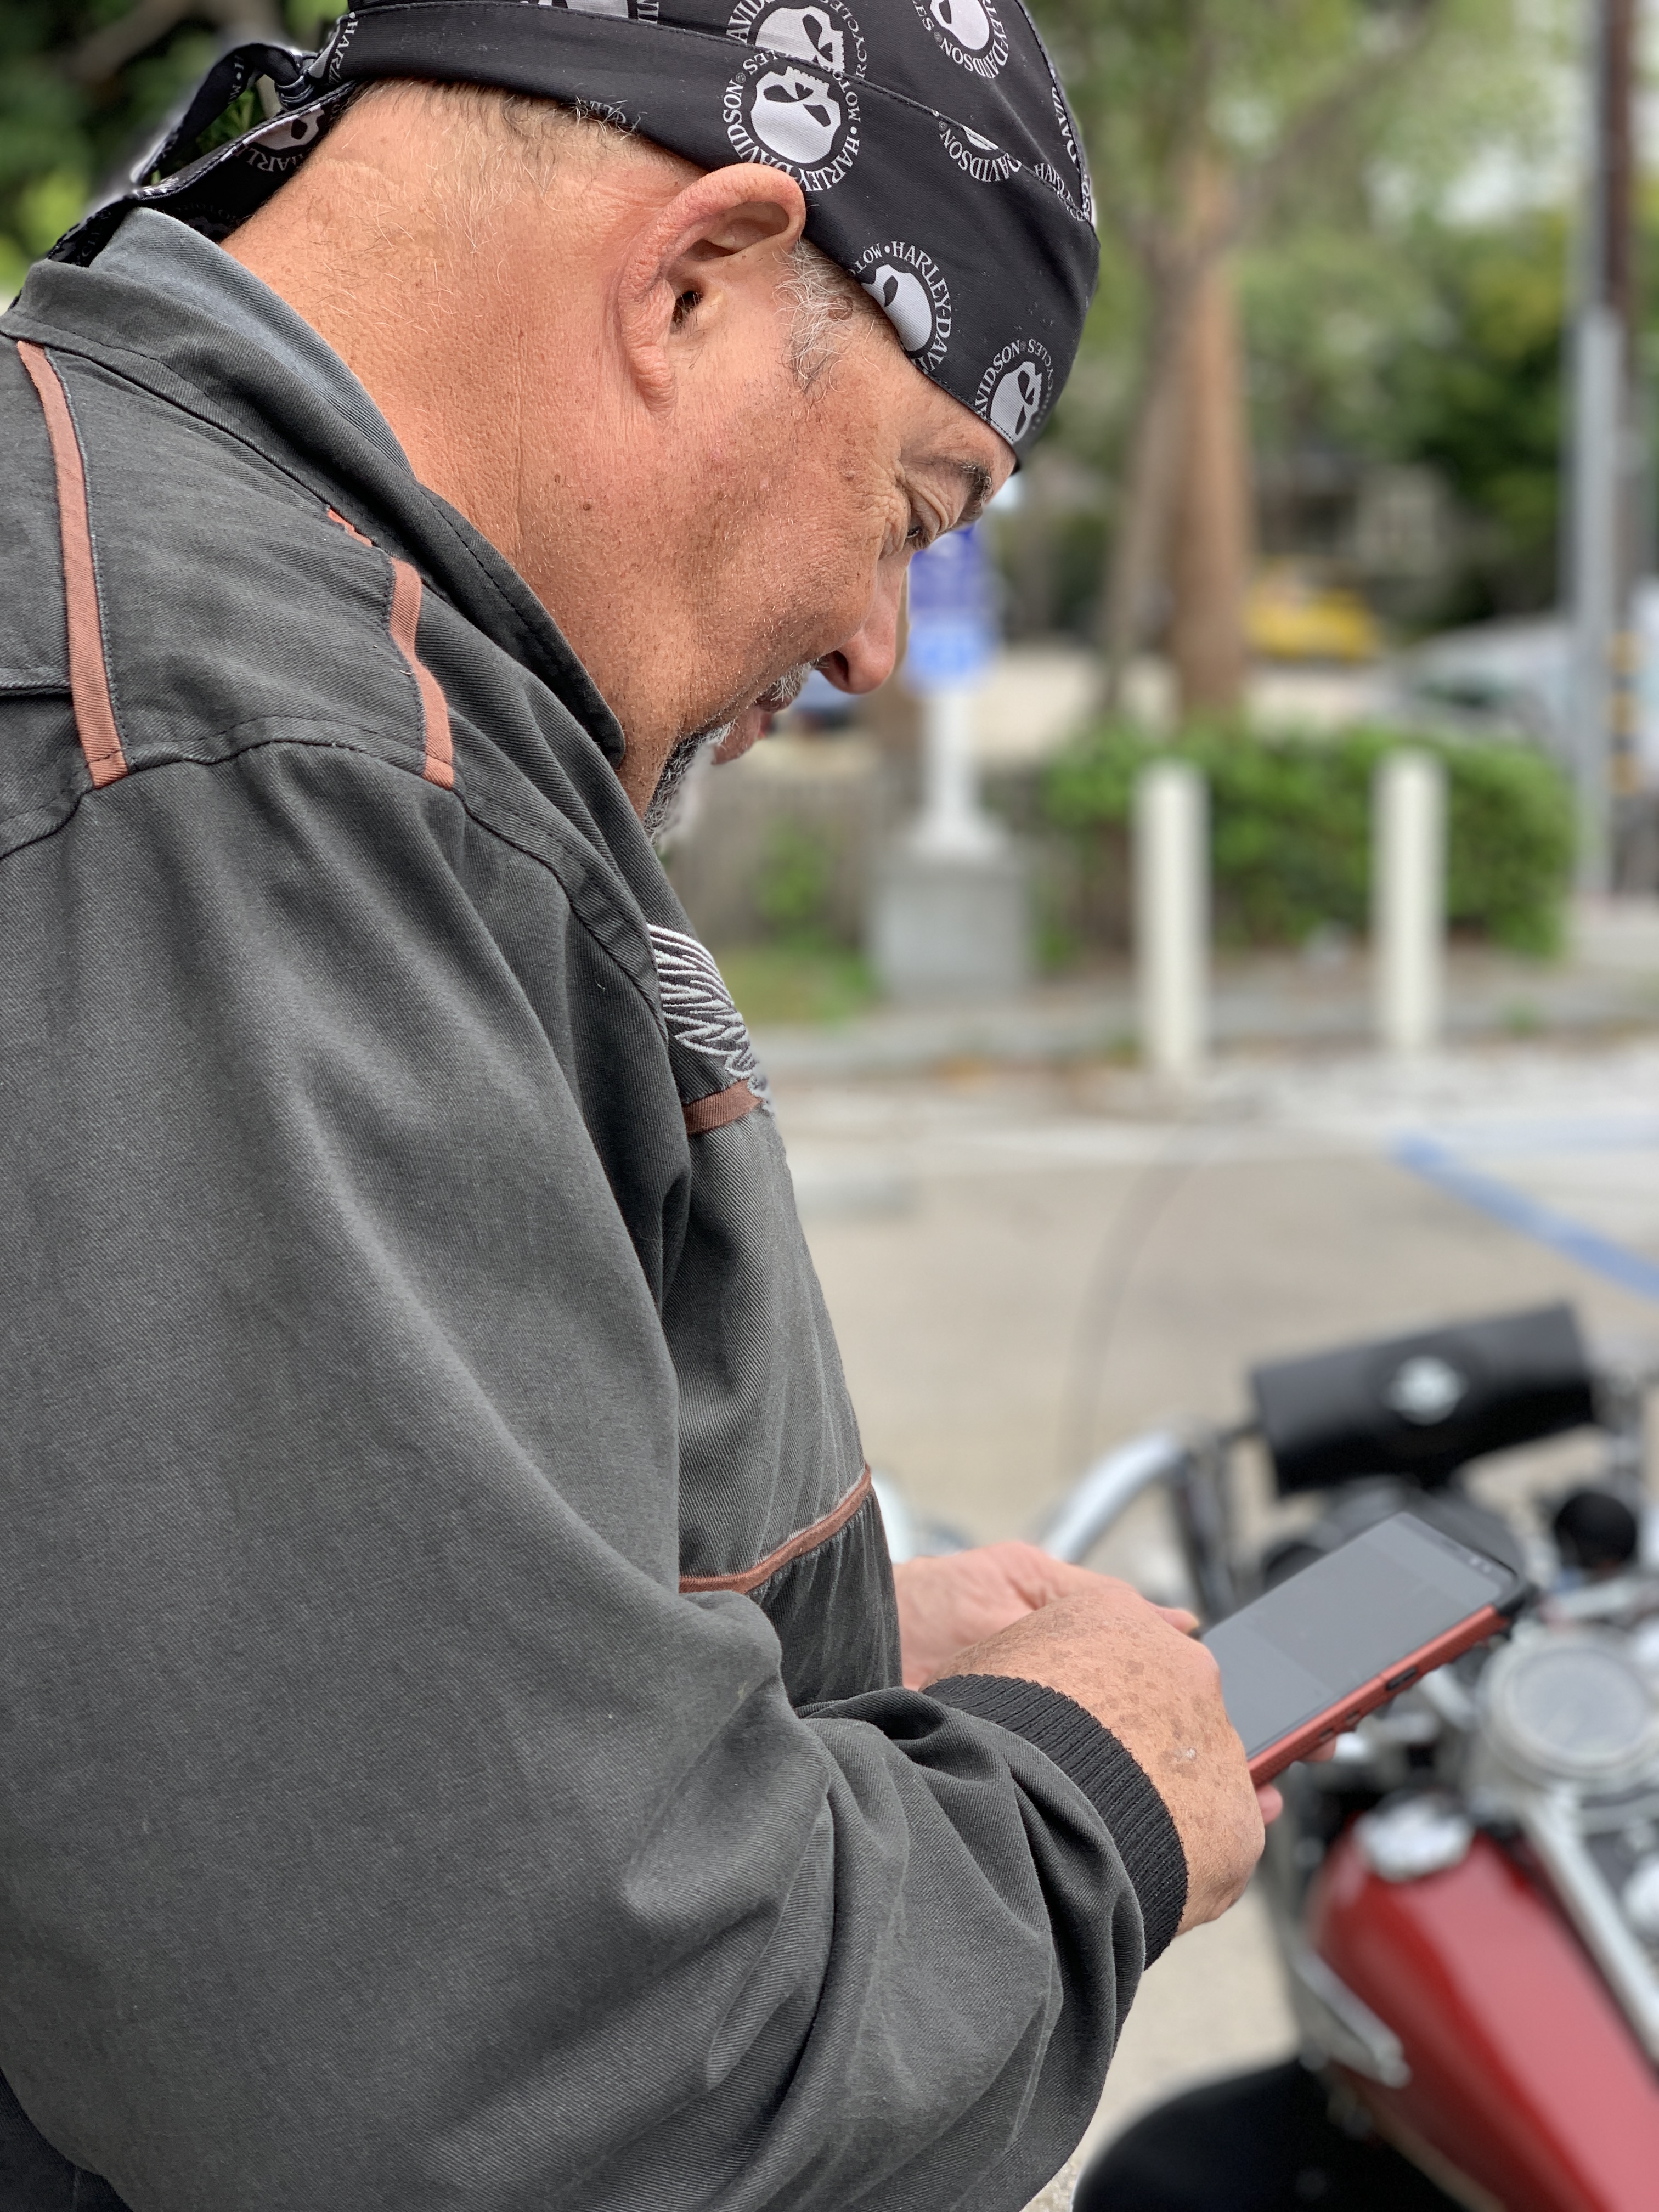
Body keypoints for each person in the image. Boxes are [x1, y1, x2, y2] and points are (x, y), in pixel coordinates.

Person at [0, 4, 1265, 2204]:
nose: (876, 645)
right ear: (694, 278)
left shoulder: (223, 607)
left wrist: (776, 1645)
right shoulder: (241, 761)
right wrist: (1093, 1798)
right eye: (915, 508)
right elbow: (528, 2074)